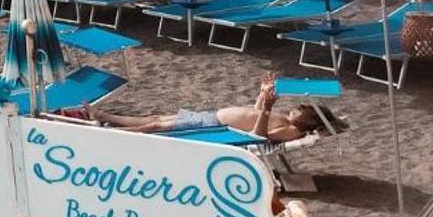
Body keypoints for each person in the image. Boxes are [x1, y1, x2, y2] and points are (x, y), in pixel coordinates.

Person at [92, 73, 330, 142]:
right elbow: (255, 113)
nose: (298, 107)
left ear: (309, 120)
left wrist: (267, 108)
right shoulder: (287, 120)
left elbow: (258, 136)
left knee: (155, 126)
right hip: (212, 117)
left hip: (216, 125)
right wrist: (262, 94)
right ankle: (106, 117)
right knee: (156, 118)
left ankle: (107, 131)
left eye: (303, 109)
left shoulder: (291, 131)